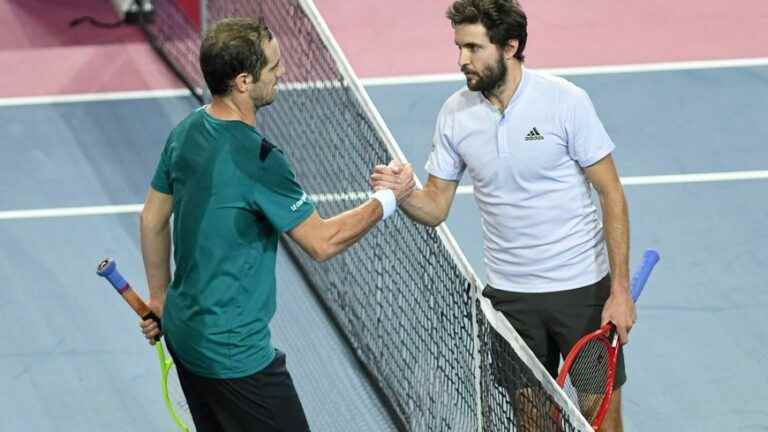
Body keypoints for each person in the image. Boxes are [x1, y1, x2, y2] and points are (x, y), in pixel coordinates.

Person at [138, 17, 414, 432]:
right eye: (273, 66)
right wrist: (390, 198)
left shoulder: (188, 130)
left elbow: (153, 218)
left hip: (184, 332)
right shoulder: (259, 159)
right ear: (244, 81)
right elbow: (323, 242)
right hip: (234, 356)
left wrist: (160, 297)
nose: (282, 73)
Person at [370, 1, 633, 430]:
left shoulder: (565, 102)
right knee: (531, 424)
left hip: (581, 292)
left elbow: (612, 193)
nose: (462, 60)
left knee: (601, 422)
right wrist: (404, 195)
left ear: (510, 46)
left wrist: (618, 291)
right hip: (512, 301)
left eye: (474, 48)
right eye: (459, 47)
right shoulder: (455, 114)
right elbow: (435, 206)